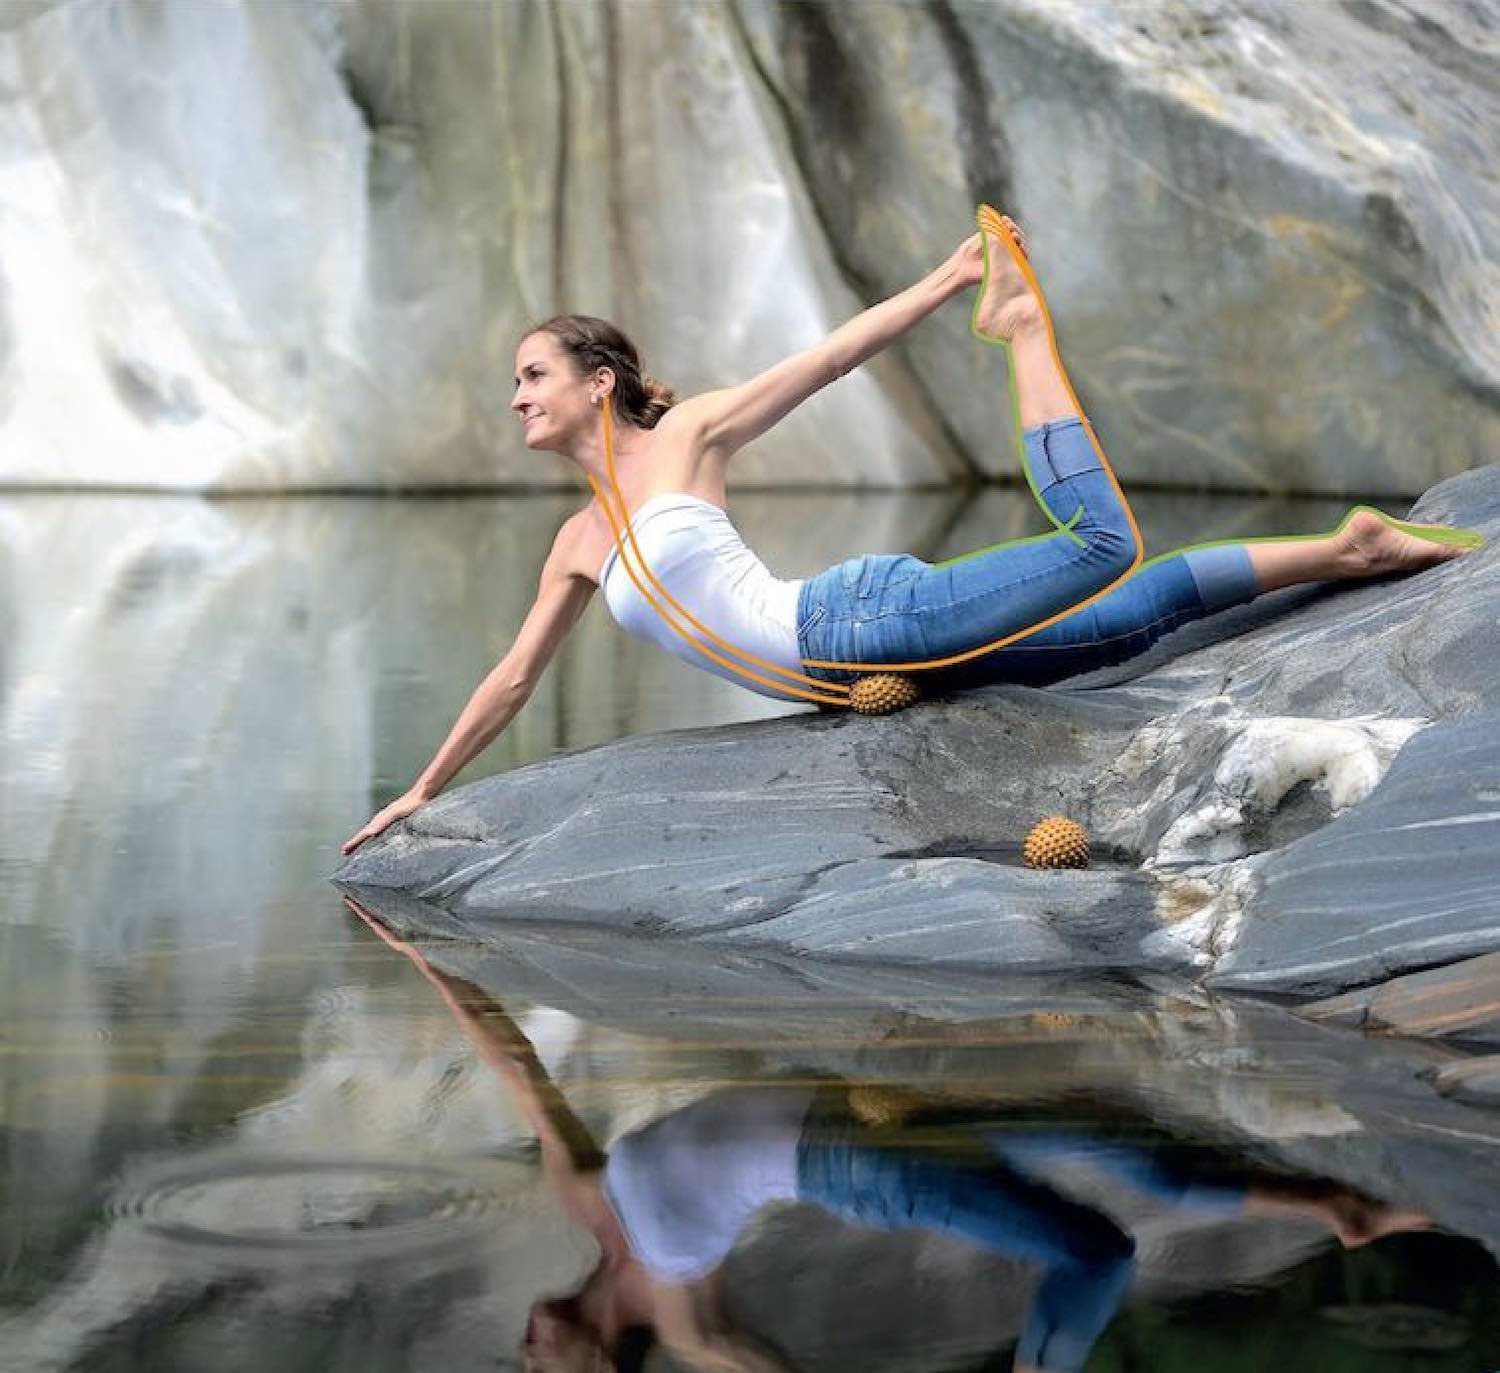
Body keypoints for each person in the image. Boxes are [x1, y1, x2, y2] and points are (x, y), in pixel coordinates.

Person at [343, 208, 1482, 855]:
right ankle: (1354, 551)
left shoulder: (685, 438)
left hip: (859, 622)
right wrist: (422, 787)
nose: (516, 397)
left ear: (600, 382)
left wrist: (952, 279)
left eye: (533, 373)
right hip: (877, 678)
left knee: (1100, 548)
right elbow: (508, 681)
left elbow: (827, 359)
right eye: (514, 381)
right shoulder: (576, 546)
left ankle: (1024, 327)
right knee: (1130, 623)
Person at [344, 895, 1433, 1373]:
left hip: (875, 1118)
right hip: (874, 1171)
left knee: (1113, 1150)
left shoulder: (586, 1204)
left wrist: (437, 962)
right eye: (540, 1371)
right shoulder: (685, 1324)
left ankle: (1330, 1207)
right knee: (1097, 1238)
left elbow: (522, 1074)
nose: (526, 1351)